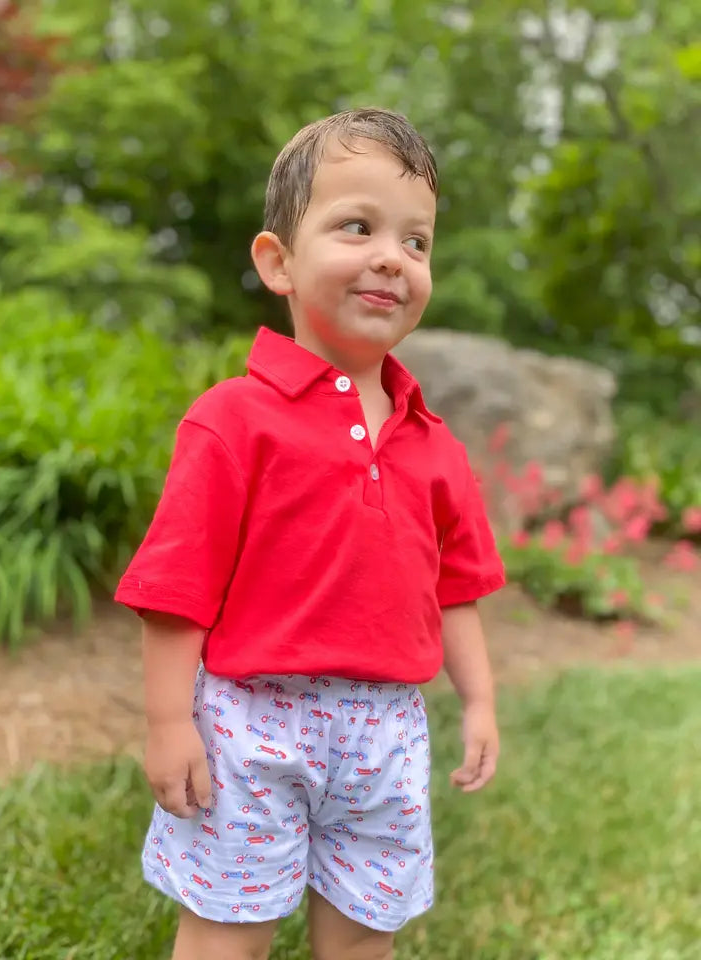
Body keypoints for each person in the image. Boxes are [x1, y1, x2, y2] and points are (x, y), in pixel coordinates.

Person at [115, 107, 506, 960]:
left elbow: (458, 589)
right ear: (278, 262)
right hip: (253, 729)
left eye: (416, 241)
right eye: (356, 227)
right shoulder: (234, 420)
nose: (390, 258)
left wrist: (477, 701)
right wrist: (167, 723)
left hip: (388, 733)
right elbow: (176, 591)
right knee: (227, 931)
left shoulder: (431, 441)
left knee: (368, 934)